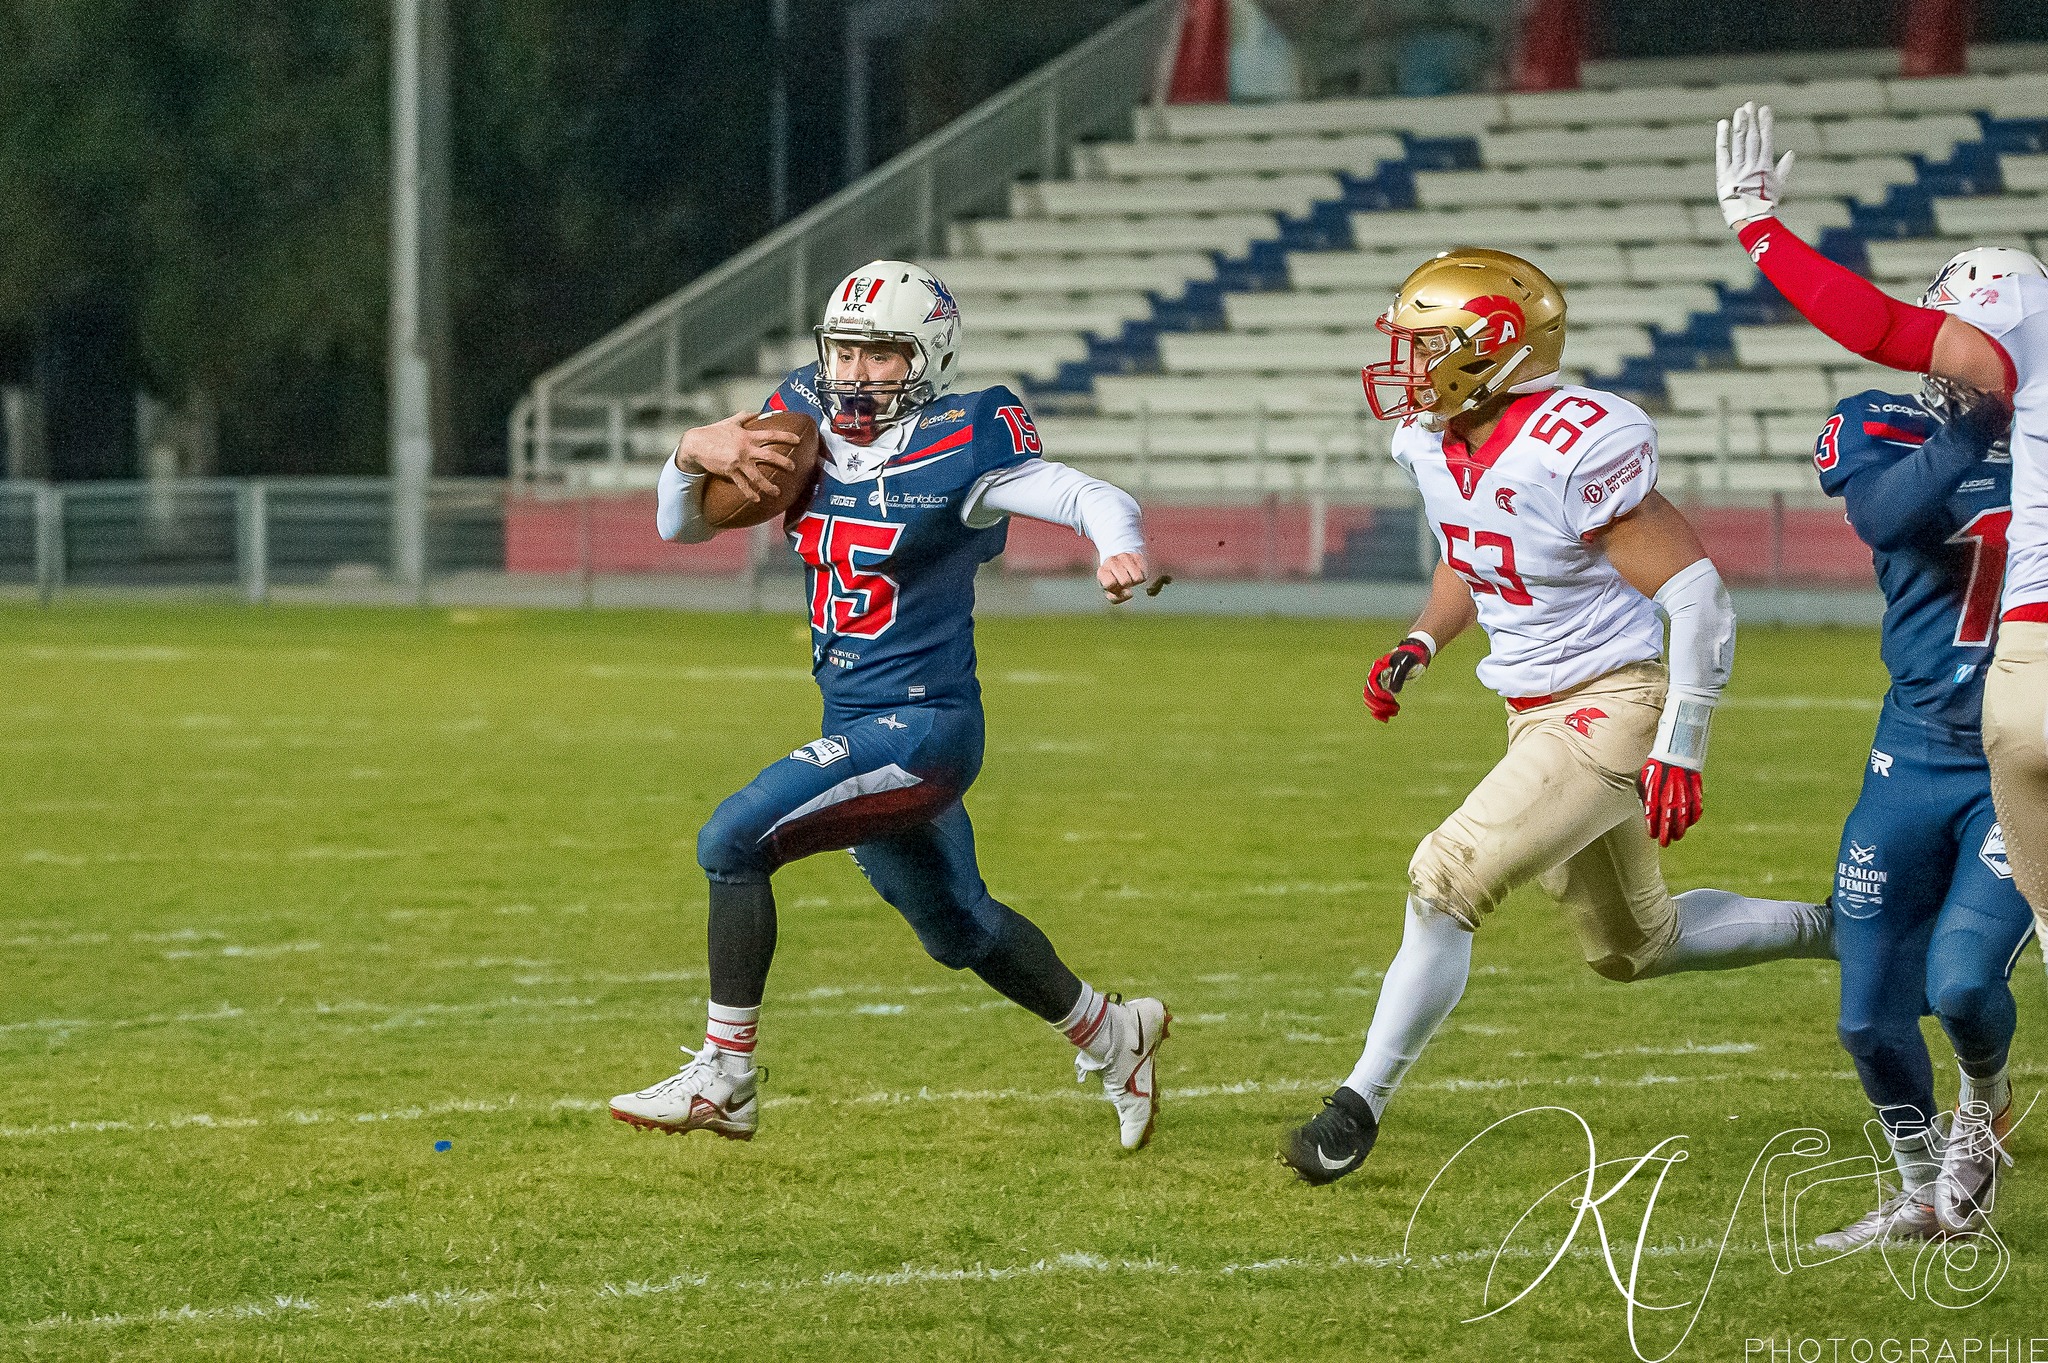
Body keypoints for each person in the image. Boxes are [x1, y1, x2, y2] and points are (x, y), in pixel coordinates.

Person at [1278, 248, 1833, 1186]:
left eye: (1424, 347)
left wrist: (1681, 744)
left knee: (1443, 877)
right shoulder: (1439, 440)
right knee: (1634, 948)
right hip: (1533, 713)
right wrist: (1422, 641)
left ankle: (1354, 1107)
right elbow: (1476, 549)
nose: (1406, 369)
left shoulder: (1573, 440)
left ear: (1490, 348)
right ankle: (1846, 929)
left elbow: (1698, 594)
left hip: (1615, 704)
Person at [610, 260, 1170, 1150]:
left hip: (926, 725)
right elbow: (679, 524)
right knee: (959, 926)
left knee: (730, 839)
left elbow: (1083, 493)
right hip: (856, 723)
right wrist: (689, 450)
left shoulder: (967, 435)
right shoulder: (801, 417)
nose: (857, 372)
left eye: (881, 353)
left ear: (929, 355)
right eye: (845, 350)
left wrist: (1118, 546)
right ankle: (1112, 1030)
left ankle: (726, 1073)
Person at [1704, 254, 2040, 1247]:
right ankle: (1915, 1189)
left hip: (2012, 753)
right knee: (1864, 1014)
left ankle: (1982, 1103)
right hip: (1909, 750)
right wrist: (1977, 430)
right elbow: (1883, 516)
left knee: (1962, 985)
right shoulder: (1880, 420)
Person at [1715, 102, 2048, 957]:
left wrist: (1758, 229)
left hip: (2025, 670)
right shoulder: (1903, 420)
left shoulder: (2014, 347)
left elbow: (1881, 325)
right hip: (1950, 715)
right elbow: (1885, 513)